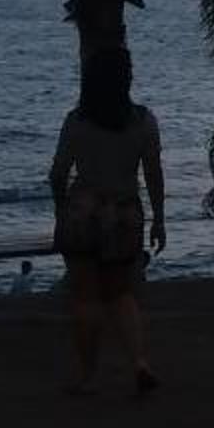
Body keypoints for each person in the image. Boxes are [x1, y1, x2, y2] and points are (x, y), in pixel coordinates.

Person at [48, 44, 165, 396]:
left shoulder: (77, 121)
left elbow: (58, 172)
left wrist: (60, 207)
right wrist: (159, 218)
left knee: (86, 297)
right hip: (124, 212)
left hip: (83, 211)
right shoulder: (143, 121)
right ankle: (139, 362)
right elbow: (153, 172)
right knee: (121, 293)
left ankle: (88, 375)